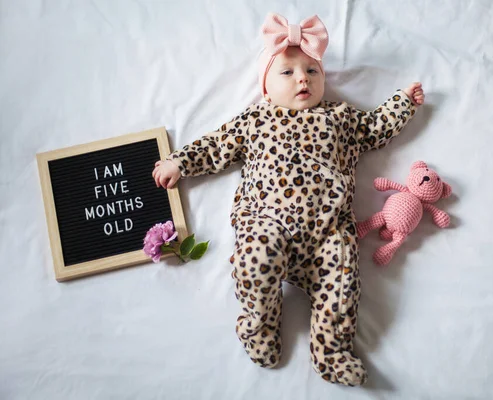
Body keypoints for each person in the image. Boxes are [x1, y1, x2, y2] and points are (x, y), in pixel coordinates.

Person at [152, 12, 424, 386]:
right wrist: (179, 162)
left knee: (343, 275)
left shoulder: (341, 119)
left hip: (328, 232)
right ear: (266, 87)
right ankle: (259, 327)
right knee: (255, 259)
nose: (303, 78)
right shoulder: (256, 120)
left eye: (313, 71)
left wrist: (403, 103)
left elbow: (375, 127)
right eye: (289, 72)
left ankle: (331, 352)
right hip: (268, 223)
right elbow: (217, 144)